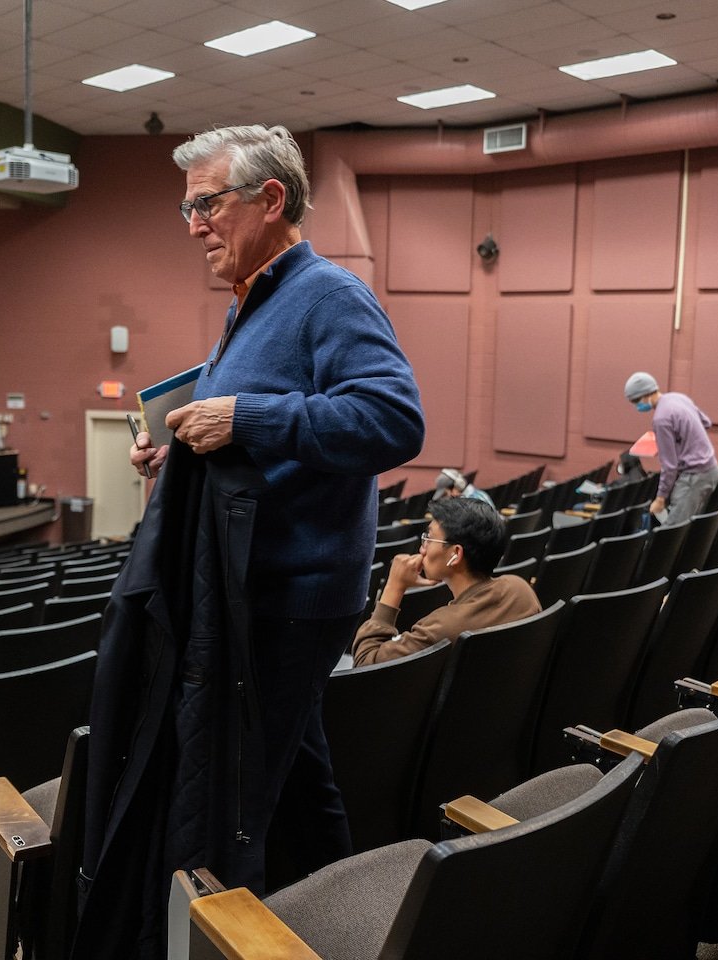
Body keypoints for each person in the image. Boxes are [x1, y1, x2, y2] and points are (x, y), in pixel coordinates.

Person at [76, 125, 423, 958]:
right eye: (186, 206)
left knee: (235, 802)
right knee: (298, 778)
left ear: (271, 200)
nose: (193, 222)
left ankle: (229, 938)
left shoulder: (327, 294)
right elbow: (253, 421)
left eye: (206, 202)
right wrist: (179, 444)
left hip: (286, 598)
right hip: (259, 593)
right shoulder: (252, 304)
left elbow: (394, 419)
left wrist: (247, 417)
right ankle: (347, 922)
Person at [352, 497, 541, 666]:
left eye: (429, 539)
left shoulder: (439, 629)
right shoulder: (520, 589)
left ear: (455, 554)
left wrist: (394, 586)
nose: (422, 548)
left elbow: (365, 663)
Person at [624, 371, 718, 525]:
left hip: (694, 475)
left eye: (636, 401)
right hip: (711, 469)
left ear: (647, 394)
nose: (636, 406)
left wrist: (660, 499)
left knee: (672, 531)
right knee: (687, 526)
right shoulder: (678, 398)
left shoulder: (661, 419)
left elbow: (669, 466)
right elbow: (706, 422)